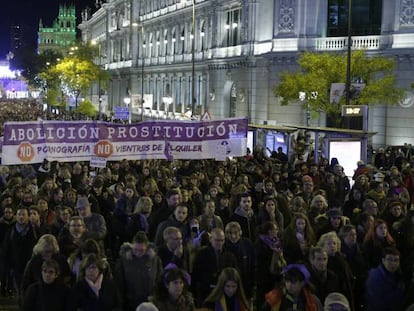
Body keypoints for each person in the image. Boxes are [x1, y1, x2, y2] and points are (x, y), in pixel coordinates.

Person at [115, 231, 163, 311]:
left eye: (141, 250)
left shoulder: (154, 260)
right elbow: (119, 283)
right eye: (135, 249)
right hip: (130, 302)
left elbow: (159, 279)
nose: (138, 253)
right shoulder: (124, 260)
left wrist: (156, 297)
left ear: (147, 248)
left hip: (150, 301)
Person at [192, 228, 238, 307]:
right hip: (208, 293)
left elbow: (235, 273)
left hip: (226, 292)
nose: (220, 243)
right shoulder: (202, 254)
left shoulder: (229, 253)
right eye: (217, 240)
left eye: (222, 240)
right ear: (211, 239)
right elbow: (196, 274)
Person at [365, 247, 405, 311]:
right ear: (383, 260)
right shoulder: (374, 277)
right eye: (390, 259)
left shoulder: (398, 275)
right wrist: (398, 291)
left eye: (396, 260)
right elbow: (377, 303)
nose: (393, 263)